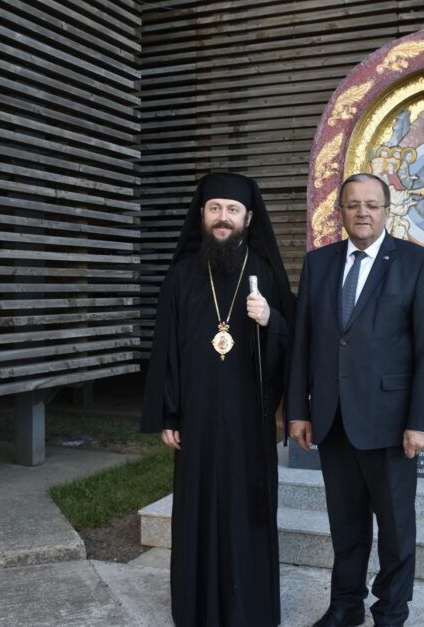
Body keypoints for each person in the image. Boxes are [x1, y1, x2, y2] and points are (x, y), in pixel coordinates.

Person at [287, 173, 424, 627]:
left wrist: (422, 421)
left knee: (395, 528)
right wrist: (298, 410)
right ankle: (345, 605)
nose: (362, 212)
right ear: (340, 211)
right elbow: (302, 342)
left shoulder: (416, 262)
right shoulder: (318, 263)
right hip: (332, 417)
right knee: (345, 523)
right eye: (353, 204)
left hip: (391, 421)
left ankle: (391, 612)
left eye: (372, 205)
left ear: (386, 211)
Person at [141, 172, 293, 627]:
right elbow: (166, 347)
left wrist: (270, 321)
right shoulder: (183, 275)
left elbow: (293, 343)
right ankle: (197, 608)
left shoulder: (265, 273)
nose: (222, 218)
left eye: (232, 210)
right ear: (202, 215)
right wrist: (170, 411)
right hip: (198, 415)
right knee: (198, 508)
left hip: (249, 417)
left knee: (247, 509)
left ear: (248, 218)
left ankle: (249, 609)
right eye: (214, 209)